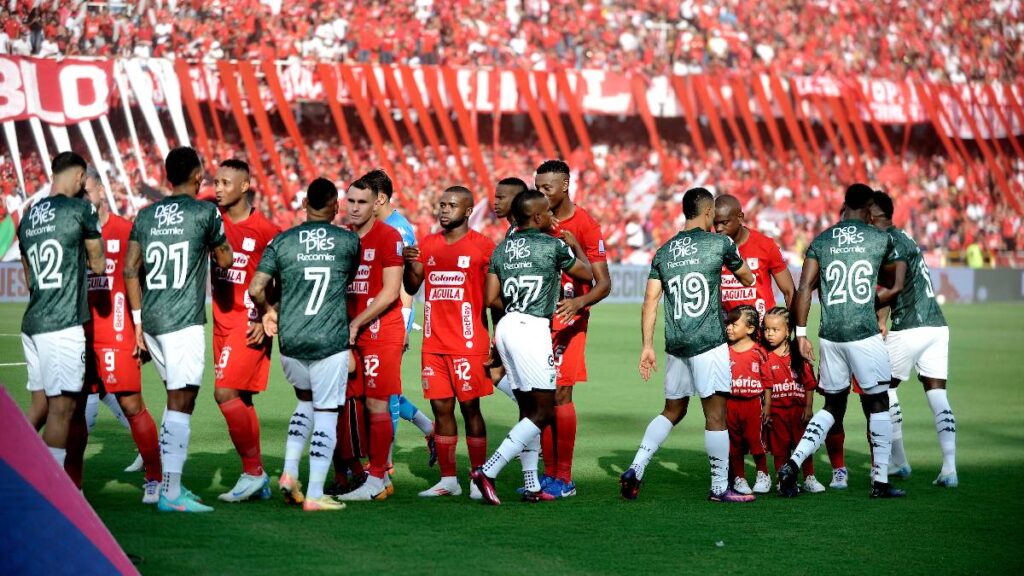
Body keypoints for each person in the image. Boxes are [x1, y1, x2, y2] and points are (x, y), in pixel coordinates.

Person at [619, 187, 756, 503]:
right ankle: (720, 487)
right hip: (708, 340)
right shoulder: (720, 243)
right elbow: (748, 278)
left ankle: (636, 467)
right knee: (716, 414)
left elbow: (650, 301)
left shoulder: (664, 251)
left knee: (673, 409)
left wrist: (646, 347)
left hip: (676, 343)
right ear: (709, 212)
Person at [779, 183, 907, 499]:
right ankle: (879, 482)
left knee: (833, 405)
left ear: (844, 204)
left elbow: (804, 288)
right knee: (878, 401)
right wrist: (872, 302)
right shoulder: (879, 238)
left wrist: (801, 334)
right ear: (867, 208)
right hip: (863, 333)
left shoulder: (821, 241)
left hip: (830, 334)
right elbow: (892, 284)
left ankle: (792, 463)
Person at [124, 146, 234, 513]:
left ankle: (162, 485)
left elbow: (129, 270)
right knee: (181, 403)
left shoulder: (146, 214)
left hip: (152, 321)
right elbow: (225, 258)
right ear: (197, 175)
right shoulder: (205, 211)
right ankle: (170, 491)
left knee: (175, 401)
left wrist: (137, 323)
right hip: (183, 320)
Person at [471, 190, 593, 505]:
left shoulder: (502, 249)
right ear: (538, 217)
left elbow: (489, 298)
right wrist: (573, 243)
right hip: (532, 328)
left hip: (507, 326)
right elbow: (587, 273)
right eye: (546, 213)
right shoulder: (553, 245)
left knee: (527, 410)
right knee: (543, 410)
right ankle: (488, 470)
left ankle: (531, 483)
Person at [249, 177, 360, 512]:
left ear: (304, 205)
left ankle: (289, 471)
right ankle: (314, 493)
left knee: (305, 403)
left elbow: (257, 287)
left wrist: (268, 311)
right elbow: (347, 278)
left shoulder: (282, 241)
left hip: (292, 339)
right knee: (326, 414)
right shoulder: (347, 241)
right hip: (329, 338)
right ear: (335, 206)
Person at [402, 186, 496, 499]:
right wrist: (409, 263)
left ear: (468, 211)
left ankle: (477, 478)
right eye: (441, 205)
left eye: (451, 205)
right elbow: (413, 285)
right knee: (441, 410)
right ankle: (448, 480)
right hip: (434, 345)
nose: (444, 210)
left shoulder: (483, 247)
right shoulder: (428, 244)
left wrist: (498, 339)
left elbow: (496, 299)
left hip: (469, 345)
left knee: (471, 410)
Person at [19, 152, 105, 481]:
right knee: (63, 410)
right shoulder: (81, 209)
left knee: (40, 407)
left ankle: (10, 468)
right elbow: (97, 264)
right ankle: (51, 492)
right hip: (63, 322)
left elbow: (28, 279)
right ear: (81, 177)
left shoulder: (29, 215)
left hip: (33, 322)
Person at [80, 167, 162, 503]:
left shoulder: (126, 231)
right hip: (80, 334)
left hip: (117, 332)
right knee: (73, 413)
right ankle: (71, 485)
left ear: (101, 190)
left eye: (87, 191)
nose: (83, 198)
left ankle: (155, 478)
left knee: (131, 404)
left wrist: (143, 329)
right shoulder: (73, 233)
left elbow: (144, 281)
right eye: (78, 194)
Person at [534, 160, 612, 498]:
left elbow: (603, 284)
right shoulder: (534, 220)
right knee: (541, 396)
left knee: (562, 393)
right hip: (536, 320)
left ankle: (562, 478)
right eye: (537, 188)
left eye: (546, 188)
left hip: (568, 320)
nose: (540, 194)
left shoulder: (586, 225)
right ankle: (547, 472)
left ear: (565, 184)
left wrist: (579, 305)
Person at [870, 191, 957, 487]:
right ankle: (950, 468)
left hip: (910, 325)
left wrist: (864, 307)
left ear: (877, 215)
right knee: (937, 394)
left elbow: (892, 288)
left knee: (885, 389)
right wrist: (882, 317)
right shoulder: (905, 237)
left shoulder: (887, 241)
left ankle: (900, 462)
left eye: (869, 214)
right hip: (937, 325)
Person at [210, 159, 280, 503]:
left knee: (223, 394)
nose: (218, 188)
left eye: (225, 182)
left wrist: (269, 315)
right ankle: (257, 477)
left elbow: (286, 282)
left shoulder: (266, 231)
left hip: (249, 324)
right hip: (220, 323)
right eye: (215, 182)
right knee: (242, 398)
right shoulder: (212, 222)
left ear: (245, 185)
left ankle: (252, 471)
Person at [337, 178, 406, 501]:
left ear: (377, 203)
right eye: (350, 201)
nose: (354, 207)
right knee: (353, 404)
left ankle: (378, 478)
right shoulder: (344, 238)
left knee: (378, 405)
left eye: (361, 202)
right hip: (350, 332)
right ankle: (361, 472)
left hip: (379, 331)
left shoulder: (388, 236)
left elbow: (391, 291)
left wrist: (357, 323)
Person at [361, 169, 435, 468]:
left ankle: (383, 466)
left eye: (366, 199)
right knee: (378, 388)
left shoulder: (399, 231)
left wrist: (403, 325)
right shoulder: (378, 226)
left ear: (379, 199)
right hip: (374, 316)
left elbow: (406, 284)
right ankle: (431, 430)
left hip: (391, 318)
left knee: (383, 390)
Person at [762, 306, 826, 494]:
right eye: (766, 329)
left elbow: (809, 383)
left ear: (788, 330)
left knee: (803, 445)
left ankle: (809, 477)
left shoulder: (798, 354)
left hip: (798, 412)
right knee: (780, 449)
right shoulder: (764, 356)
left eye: (775, 330)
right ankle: (782, 480)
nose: (769, 334)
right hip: (777, 412)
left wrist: (808, 407)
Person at [714, 194, 795, 318]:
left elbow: (789, 292)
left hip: (762, 333)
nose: (719, 228)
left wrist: (796, 332)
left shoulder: (766, 245)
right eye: (715, 223)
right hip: (729, 333)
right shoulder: (712, 249)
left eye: (724, 222)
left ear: (740, 217)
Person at [724, 305, 770, 496]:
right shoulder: (724, 352)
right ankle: (739, 477)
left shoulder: (758, 352)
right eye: (728, 324)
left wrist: (767, 404)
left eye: (734, 324)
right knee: (733, 443)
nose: (729, 328)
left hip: (753, 404)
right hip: (731, 404)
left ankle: (763, 473)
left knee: (755, 441)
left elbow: (767, 380)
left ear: (750, 328)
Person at [489, 176, 528, 400]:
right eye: (496, 196)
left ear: (517, 200)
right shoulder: (512, 231)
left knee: (524, 383)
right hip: (513, 319)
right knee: (498, 373)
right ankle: (534, 424)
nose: (495, 202)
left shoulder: (522, 232)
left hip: (524, 320)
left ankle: (536, 424)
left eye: (501, 197)